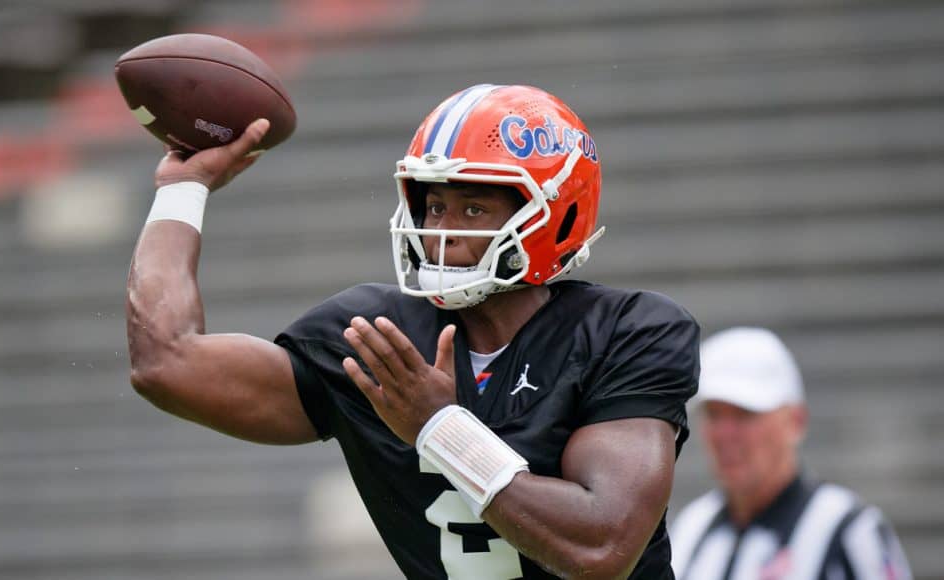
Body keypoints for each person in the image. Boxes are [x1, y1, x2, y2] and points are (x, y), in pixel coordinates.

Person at [126, 84, 700, 579]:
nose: (442, 232)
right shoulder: (376, 336)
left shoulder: (628, 332)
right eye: (434, 206)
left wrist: (441, 429)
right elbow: (166, 363)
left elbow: (600, 550)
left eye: (473, 209)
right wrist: (182, 189)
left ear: (557, 214)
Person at [669, 327, 912, 580]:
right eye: (714, 415)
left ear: (795, 422)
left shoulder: (849, 531)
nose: (725, 434)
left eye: (744, 414)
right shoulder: (690, 529)